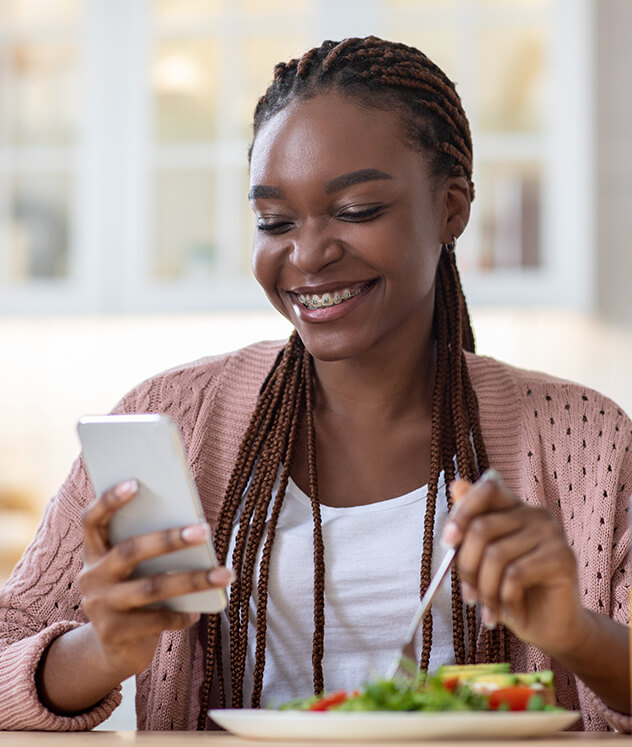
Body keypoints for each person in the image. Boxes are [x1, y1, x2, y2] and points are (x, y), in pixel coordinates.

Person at [0, 36, 629, 733]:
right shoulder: (173, 417)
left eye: (357, 210)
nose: (307, 253)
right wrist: (102, 649)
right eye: (274, 221)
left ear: (451, 208)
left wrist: (576, 631)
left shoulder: (585, 437)